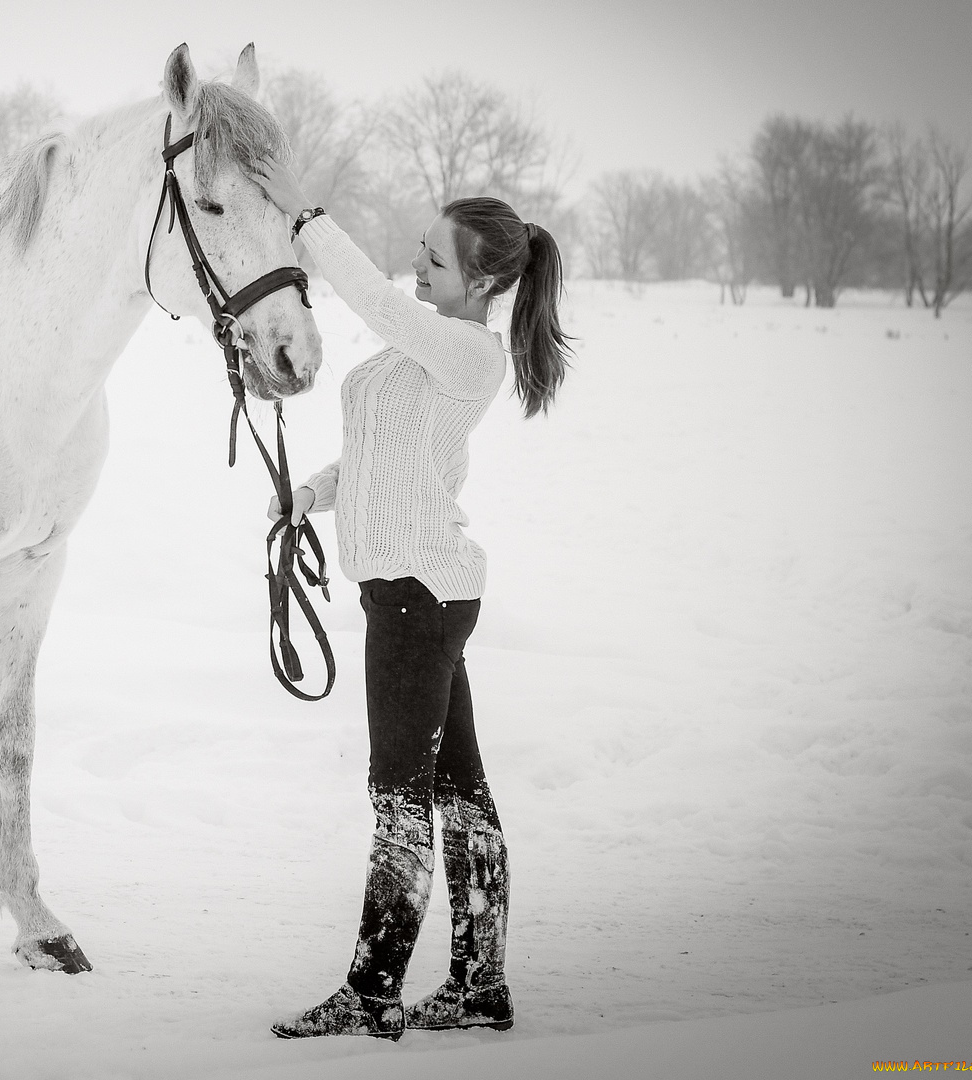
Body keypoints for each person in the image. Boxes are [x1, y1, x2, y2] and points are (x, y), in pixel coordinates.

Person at [248, 159, 571, 1040]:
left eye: (435, 258)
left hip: (416, 599)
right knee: (458, 793)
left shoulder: (466, 351)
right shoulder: (422, 349)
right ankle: (478, 985)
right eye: (421, 249)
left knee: (399, 799)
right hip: (413, 593)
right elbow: (381, 463)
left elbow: (377, 303)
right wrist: (312, 493)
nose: (416, 266)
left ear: (485, 280)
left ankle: (372, 988)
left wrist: (304, 221)